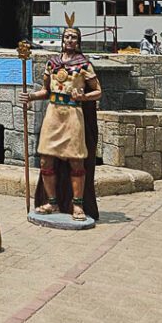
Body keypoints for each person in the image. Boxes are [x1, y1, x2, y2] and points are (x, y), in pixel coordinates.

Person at [20, 21, 101, 221]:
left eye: (73, 37)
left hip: (73, 114)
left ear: (78, 41)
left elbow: (98, 92)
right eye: (66, 37)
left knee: (76, 160)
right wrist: (30, 96)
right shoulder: (52, 63)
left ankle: (78, 206)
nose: (69, 40)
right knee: (46, 158)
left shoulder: (84, 64)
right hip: (53, 113)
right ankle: (52, 202)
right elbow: (46, 91)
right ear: (62, 40)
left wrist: (83, 97)